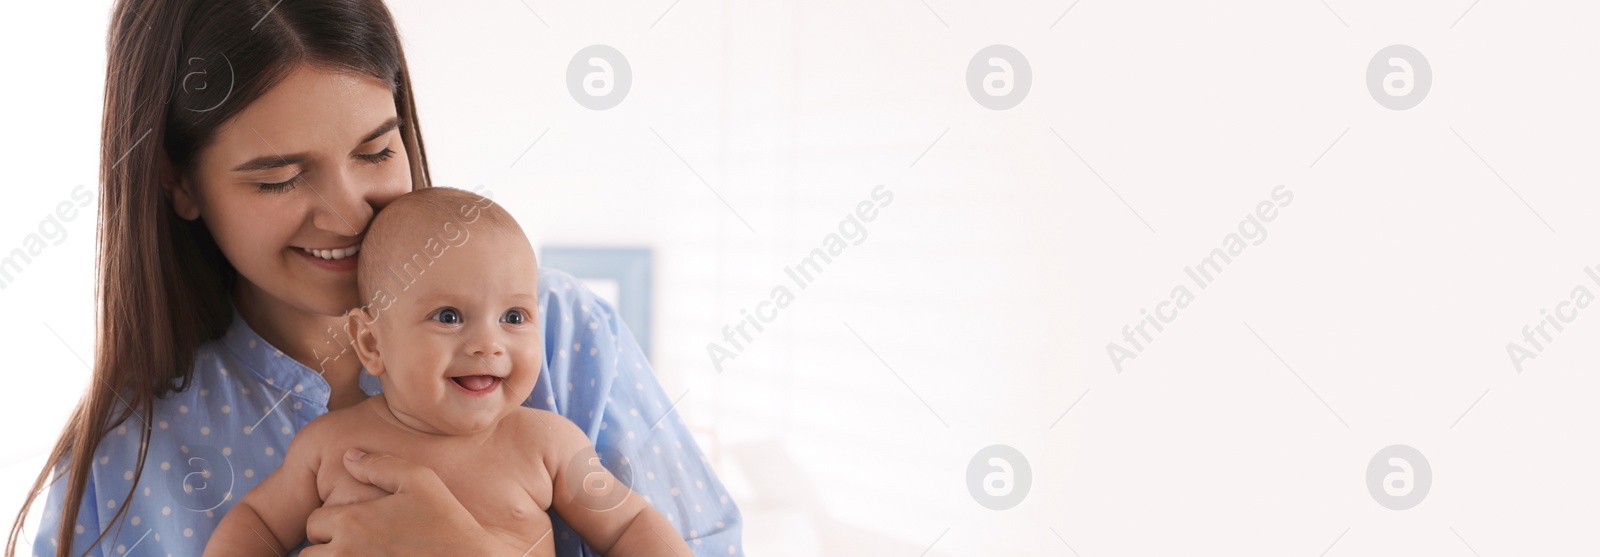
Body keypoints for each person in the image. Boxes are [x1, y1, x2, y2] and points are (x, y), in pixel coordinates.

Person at [6, 1, 742, 556]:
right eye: (280, 178)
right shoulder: (128, 459)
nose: (345, 214)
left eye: (375, 151)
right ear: (179, 183)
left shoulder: (563, 336)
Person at [203, 187, 692, 557]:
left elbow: (631, 523)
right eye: (449, 317)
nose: (488, 343)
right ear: (373, 342)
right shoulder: (330, 445)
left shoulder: (548, 444)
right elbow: (258, 523)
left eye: (514, 317)